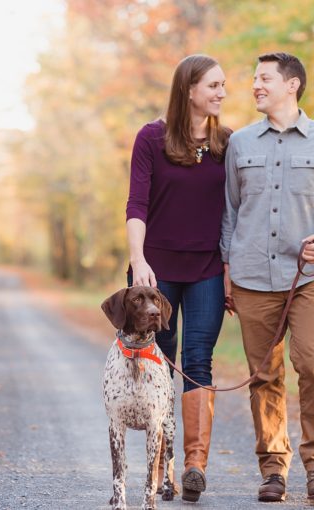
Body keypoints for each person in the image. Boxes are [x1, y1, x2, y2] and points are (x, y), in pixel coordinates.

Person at [220, 52, 314, 502]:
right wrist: (226, 268)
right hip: (252, 276)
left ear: (292, 84)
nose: (256, 85)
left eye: (264, 78)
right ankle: (273, 468)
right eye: (255, 78)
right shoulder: (240, 144)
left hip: (310, 275)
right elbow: (229, 213)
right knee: (264, 375)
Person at [125, 53, 232, 503]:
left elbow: (234, 212)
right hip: (158, 271)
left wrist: (230, 271)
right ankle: (160, 465)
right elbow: (137, 205)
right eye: (213, 85)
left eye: (224, 85)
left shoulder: (228, 142)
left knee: (198, 361)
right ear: (188, 89)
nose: (222, 93)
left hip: (207, 268)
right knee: (159, 365)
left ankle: (194, 466)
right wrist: (139, 260)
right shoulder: (152, 138)